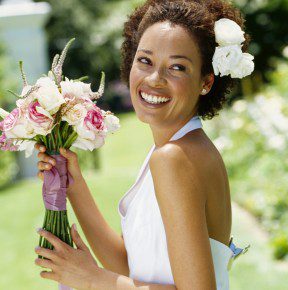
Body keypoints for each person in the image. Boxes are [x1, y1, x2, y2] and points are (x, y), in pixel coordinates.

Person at [34, 0, 253, 289]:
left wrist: (91, 278)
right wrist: (72, 185)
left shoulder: (174, 158)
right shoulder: (180, 148)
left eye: (177, 67)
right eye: (145, 60)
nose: (154, 79)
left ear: (206, 82)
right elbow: (130, 265)